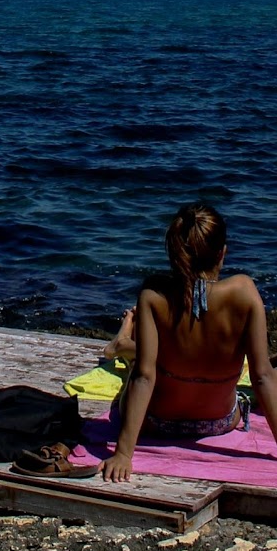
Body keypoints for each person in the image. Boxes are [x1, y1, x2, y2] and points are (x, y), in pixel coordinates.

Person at [100, 202, 277, 483]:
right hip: (219, 423)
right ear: (222, 253)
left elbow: (145, 377)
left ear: (174, 254)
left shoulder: (153, 295)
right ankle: (121, 344)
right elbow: (263, 376)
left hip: (157, 423)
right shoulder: (244, 292)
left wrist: (124, 453)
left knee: (139, 365)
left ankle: (121, 343)